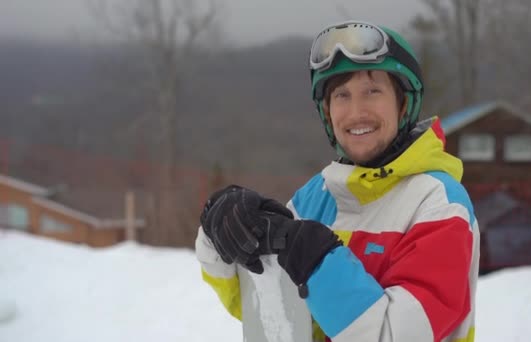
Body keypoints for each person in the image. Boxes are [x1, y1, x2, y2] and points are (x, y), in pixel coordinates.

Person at [195, 20, 480, 342]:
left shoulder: (438, 202)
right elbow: (267, 308)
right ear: (327, 112)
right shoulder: (315, 196)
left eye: (372, 91)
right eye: (341, 95)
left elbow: (395, 335)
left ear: (403, 105)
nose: (356, 111)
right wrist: (220, 231)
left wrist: (317, 260)